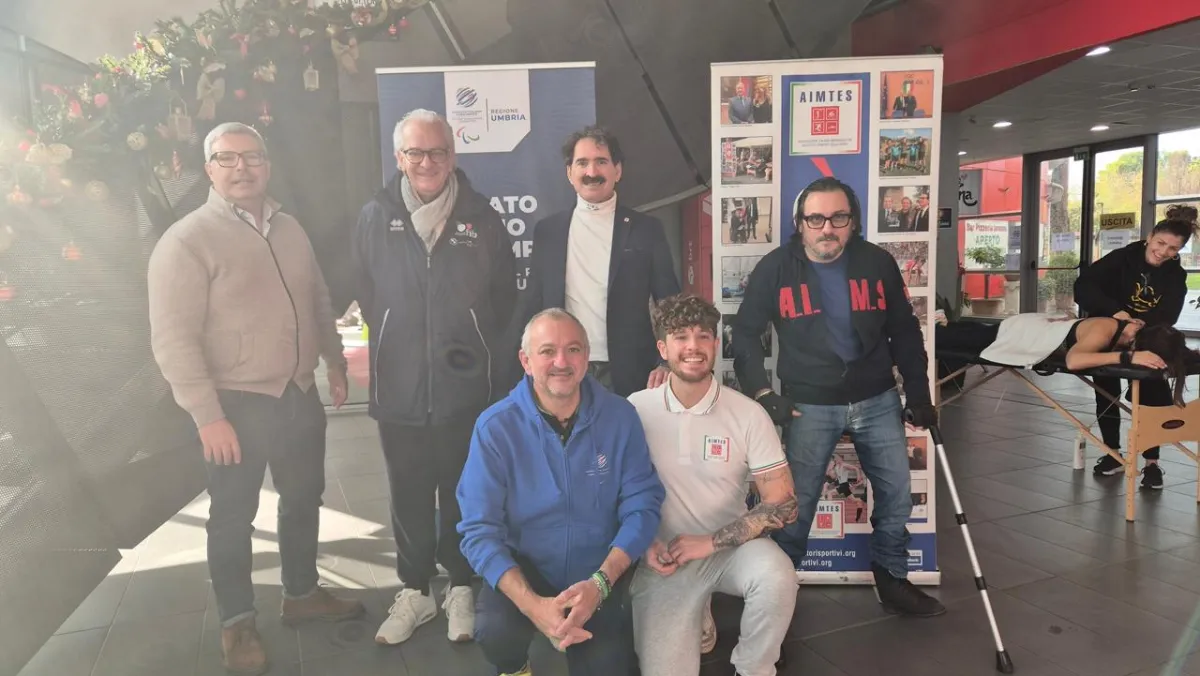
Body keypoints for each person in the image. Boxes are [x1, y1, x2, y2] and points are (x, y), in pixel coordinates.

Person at [148, 122, 363, 675]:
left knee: (302, 498)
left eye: (252, 157)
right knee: (232, 517)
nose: (241, 168)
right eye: (227, 159)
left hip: (296, 394)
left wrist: (334, 362)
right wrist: (207, 416)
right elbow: (173, 338)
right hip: (235, 405)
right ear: (208, 170)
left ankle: (300, 592)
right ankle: (237, 623)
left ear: (268, 164)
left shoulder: (290, 228)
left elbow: (317, 297)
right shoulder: (186, 240)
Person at [732, 176, 944, 617]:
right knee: (796, 505)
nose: (826, 228)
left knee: (898, 495)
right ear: (800, 223)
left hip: (877, 395)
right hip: (808, 403)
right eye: (816, 218)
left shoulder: (878, 263)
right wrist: (763, 392)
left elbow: (905, 331)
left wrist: (920, 392)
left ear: (853, 222)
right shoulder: (774, 268)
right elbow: (745, 336)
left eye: (838, 217)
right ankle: (776, 597)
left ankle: (892, 580)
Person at [352, 109, 517, 645]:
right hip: (398, 386)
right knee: (408, 492)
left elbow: (504, 302)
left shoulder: (482, 218)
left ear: (453, 156)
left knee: (463, 492)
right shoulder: (375, 217)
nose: (427, 163)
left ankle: (461, 585)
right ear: (399, 158)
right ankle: (416, 589)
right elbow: (364, 290)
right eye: (416, 153)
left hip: (465, 389)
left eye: (438, 152)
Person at [458, 308, 665, 676]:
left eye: (573, 349)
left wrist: (600, 584)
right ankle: (517, 667)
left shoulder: (621, 417)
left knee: (609, 668)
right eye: (547, 351)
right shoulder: (494, 427)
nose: (561, 362)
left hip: (597, 571)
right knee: (495, 633)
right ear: (525, 360)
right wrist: (533, 606)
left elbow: (643, 506)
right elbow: (478, 530)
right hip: (528, 565)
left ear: (587, 357)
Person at [629, 294, 799, 676]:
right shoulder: (635, 409)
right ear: (663, 348)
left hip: (729, 549)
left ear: (716, 344)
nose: (693, 347)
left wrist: (708, 543)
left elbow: (785, 503)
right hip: (664, 557)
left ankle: (753, 668)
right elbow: (611, 494)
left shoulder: (748, 413)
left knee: (777, 576)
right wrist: (643, 545)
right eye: (680, 337)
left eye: (703, 336)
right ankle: (695, 610)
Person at [518, 126, 680, 396]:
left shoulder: (646, 229)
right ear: (570, 173)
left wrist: (666, 361)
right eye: (582, 163)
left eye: (601, 162)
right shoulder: (548, 231)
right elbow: (533, 302)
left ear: (617, 171)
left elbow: (670, 302)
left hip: (629, 372)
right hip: (562, 369)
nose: (591, 172)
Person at [1073, 212, 1194, 488]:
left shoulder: (1176, 274)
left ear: (1179, 251)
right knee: (1106, 392)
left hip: (1147, 335)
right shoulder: (1121, 258)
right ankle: (1113, 454)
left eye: (1172, 248)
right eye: (1160, 243)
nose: (1163, 252)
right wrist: (1117, 314)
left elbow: (1170, 313)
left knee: (1150, 391)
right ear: (1150, 236)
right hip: (1108, 329)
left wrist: (1139, 324)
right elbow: (1084, 286)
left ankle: (1152, 463)